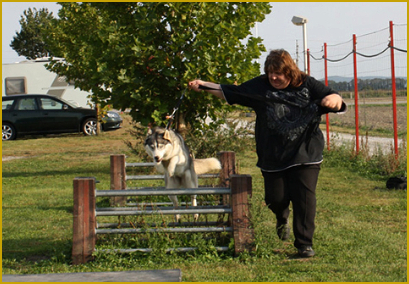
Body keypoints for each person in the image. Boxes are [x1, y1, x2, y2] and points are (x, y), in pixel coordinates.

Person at [188, 49, 346, 258]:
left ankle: (304, 245)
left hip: (305, 152)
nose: (274, 77)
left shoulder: (307, 84)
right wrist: (204, 86)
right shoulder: (260, 86)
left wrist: (333, 100)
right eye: (270, 73)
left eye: (278, 73)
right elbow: (232, 92)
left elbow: (333, 96)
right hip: (273, 153)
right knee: (275, 198)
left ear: (289, 71)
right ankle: (281, 217)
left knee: (304, 198)